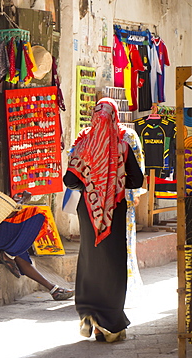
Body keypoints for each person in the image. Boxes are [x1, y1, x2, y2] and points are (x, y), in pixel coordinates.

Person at [63, 98, 143, 342]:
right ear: (115, 116)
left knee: (90, 260)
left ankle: (89, 315)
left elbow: (69, 180)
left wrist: (92, 185)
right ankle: (110, 324)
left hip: (88, 211)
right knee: (113, 263)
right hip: (114, 210)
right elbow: (137, 180)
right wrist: (114, 184)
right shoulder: (121, 144)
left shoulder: (83, 141)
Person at [0, 143, 74, 301]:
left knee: (20, 251)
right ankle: (10, 253)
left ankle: (53, 288)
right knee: (39, 216)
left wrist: (17, 202)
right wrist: (22, 201)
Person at [122, 127, 146, 308]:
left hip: (95, 204)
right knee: (124, 242)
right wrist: (134, 193)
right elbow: (137, 167)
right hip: (120, 199)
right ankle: (122, 285)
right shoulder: (127, 135)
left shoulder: (89, 134)